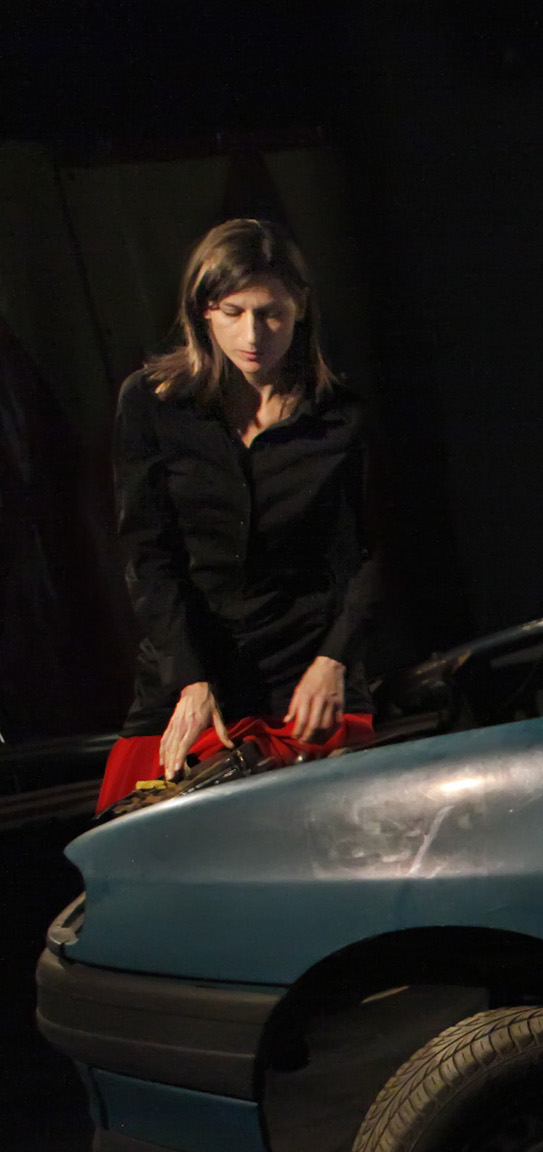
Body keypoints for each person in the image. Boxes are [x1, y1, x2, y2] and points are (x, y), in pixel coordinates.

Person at [93, 217, 378, 813]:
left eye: (271, 313)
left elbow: (373, 551)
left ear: (300, 308)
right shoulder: (151, 403)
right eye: (233, 312)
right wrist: (191, 681)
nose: (253, 334)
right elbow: (148, 557)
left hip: (304, 671)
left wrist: (334, 660)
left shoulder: (342, 415)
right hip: (190, 667)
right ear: (204, 311)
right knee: (141, 843)